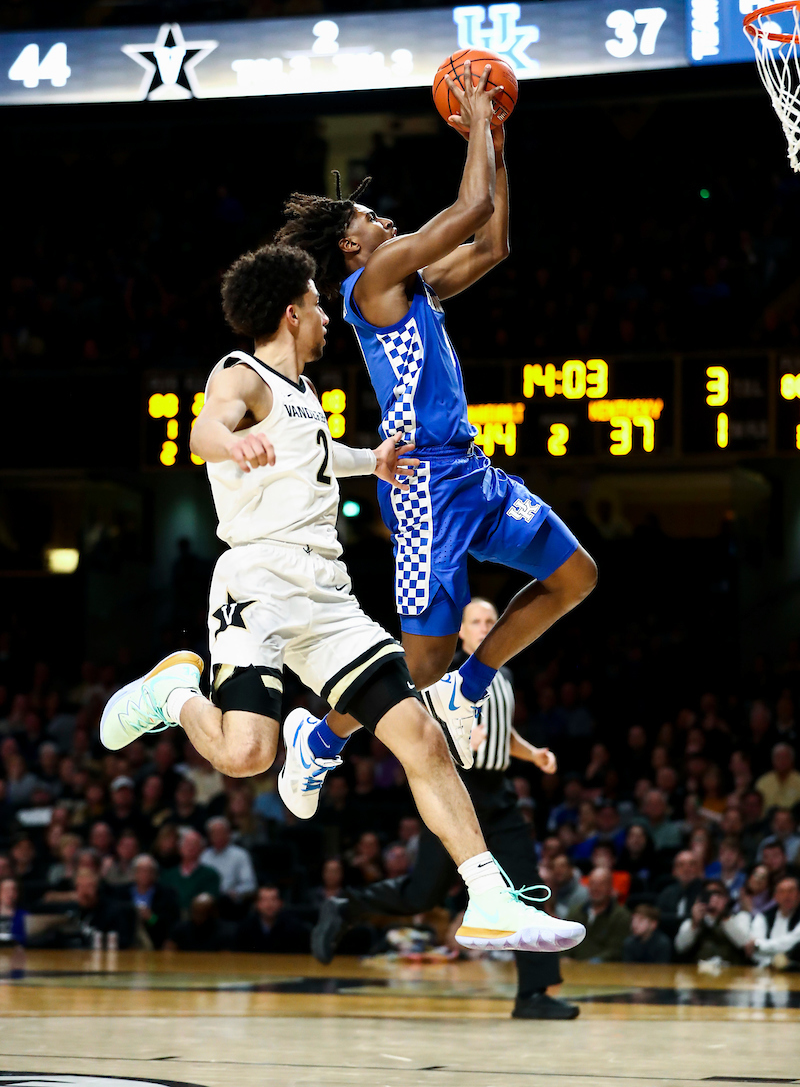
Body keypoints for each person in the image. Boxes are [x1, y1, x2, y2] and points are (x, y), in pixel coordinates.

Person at [99, 244, 584, 958]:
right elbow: (208, 424)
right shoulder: (243, 373)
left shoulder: (304, 398)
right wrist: (223, 446)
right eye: (319, 305)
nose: (330, 315)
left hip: (325, 596)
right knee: (244, 755)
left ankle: (489, 898)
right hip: (257, 587)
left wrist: (373, 460)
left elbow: (317, 457)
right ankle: (176, 696)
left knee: (419, 734)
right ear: (292, 313)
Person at [275, 63, 596, 770]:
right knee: (418, 667)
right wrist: (480, 118)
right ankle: (320, 739)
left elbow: (493, 244)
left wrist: (497, 143)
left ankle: (471, 687)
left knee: (576, 576)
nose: (384, 219)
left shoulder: (411, 280)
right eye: (370, 219)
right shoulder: (372, 283)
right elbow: (470, 209)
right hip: (423, 488)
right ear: (352, 248)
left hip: (470, 472)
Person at [311, 597, 580, 1019]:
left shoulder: (502, 673)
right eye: (477, 621)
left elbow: (501, 734)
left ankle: (535, 993)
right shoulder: (444, 675)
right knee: (425, 892)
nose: (486, 627)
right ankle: (348, 906)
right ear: (460, 630)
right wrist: (459, 743)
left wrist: (533, 755)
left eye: (493, 620)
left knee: (526, 885)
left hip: (501, 794)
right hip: (456, 789)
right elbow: (420, 733)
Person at [674, 880, 750, 965]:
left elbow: (746, 946)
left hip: (730, 972)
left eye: (718, 895)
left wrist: (724, 917)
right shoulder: (691, 922)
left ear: (726, 899)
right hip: (698, 973)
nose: (714, 898)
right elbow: (680, 947)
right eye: (709, 894)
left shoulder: (738, 919)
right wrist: (694, 925)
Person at [566, 867, 631, 962]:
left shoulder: (621, 916)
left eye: (601, 884)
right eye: (592, 883)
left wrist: (589, 963)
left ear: (610, 887)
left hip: (605, 972)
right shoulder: (575, 911)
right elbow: (564, 941)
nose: (596, 888)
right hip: (571, 969)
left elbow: (616, 951)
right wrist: (564, 958)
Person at [160, 829, 221, 916]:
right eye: (187, 844)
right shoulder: (168, 875)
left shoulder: (210, 875)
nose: (190, 847)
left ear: (201, 849)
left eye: (195, 845)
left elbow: (209, 901)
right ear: (179, 848)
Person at [234, 884, 310, 953]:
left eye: (273, 899)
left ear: (281, 903)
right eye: (264, 900)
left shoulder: (295, 928)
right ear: (257, 904)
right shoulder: (245, 927)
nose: (269, 904)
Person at [127, 853, 180, 950]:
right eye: (141, 871)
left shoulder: (166, 894)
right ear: (134, 873)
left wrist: (152, 918)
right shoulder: (122, 893)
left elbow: (170, 924)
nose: (145, 874)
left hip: (155, 941)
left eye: (149, 871)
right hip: (127, 939)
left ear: (155, 874)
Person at [746, 876, 800, 968]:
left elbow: (791, 942)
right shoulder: (763, 917)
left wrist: (759, 946)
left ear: (798, 895)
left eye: (791, 891)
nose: (787, 896)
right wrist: (770, 961)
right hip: (765, 969)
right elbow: (755, 952)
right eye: (782, 891)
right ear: (775, 896)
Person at [754, 744, 800, 812]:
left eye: (785, 758)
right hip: (768, 821)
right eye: (778, 758)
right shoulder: (763, 782)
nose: (782, 761)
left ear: (792, 760)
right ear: (773, 760)